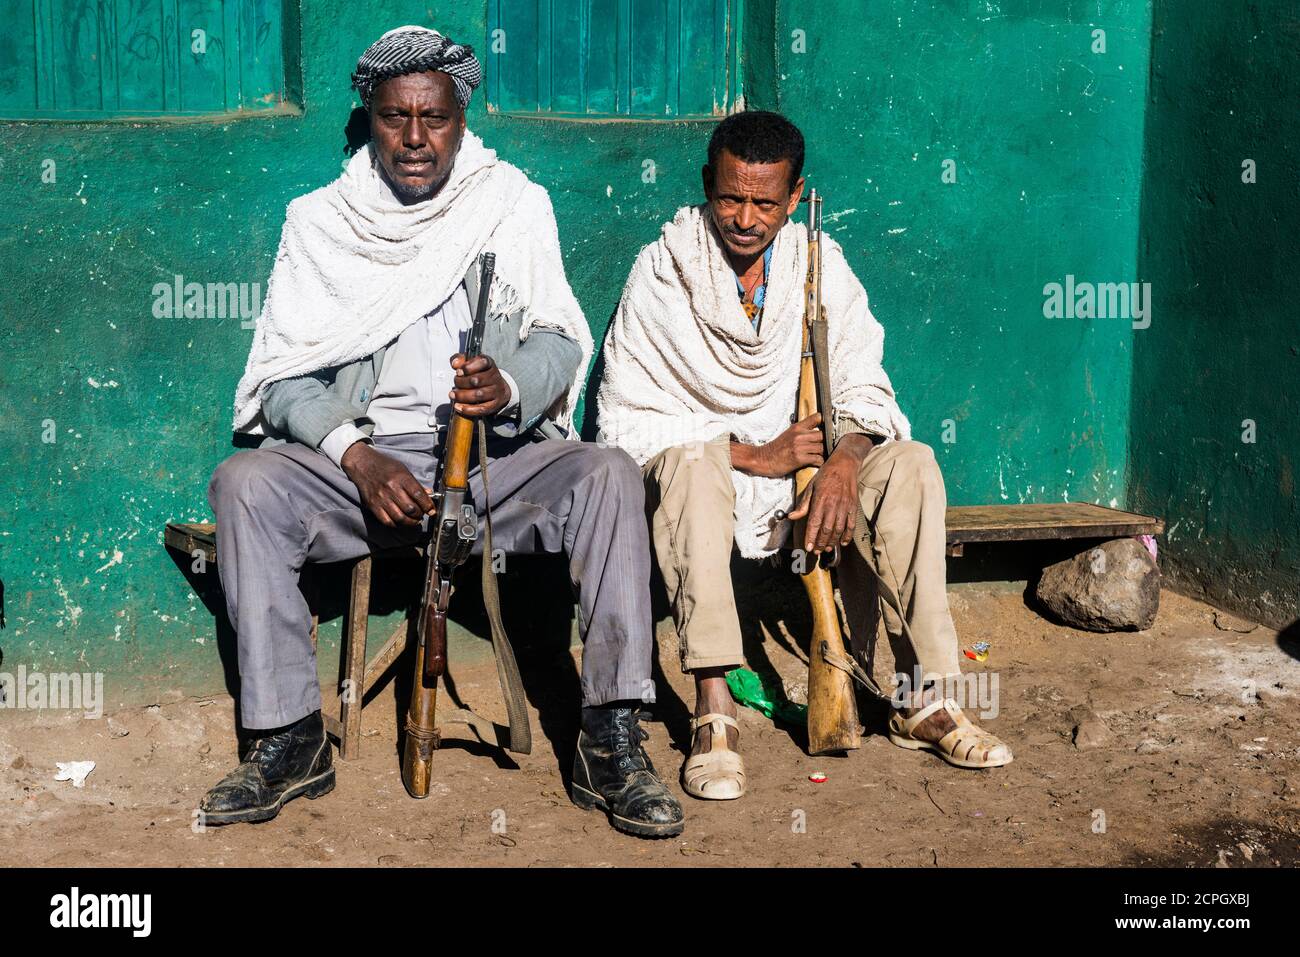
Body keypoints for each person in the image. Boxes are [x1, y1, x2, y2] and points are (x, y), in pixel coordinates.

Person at [199, 25, 683, 839]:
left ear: (461, 118)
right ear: (371, 118)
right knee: (243, 483)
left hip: (495, 461)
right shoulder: (322, 223)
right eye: (396, 118)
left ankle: (612, 737)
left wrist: (509, 387)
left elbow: (561, 340)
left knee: (605, 472)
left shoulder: (510, 203)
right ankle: (289, 736)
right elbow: (281, 380)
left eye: (435, 119)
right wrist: (355, 456)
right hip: (369, 467)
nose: (416, 140)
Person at [597, 110, 1013, 801]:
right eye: (730, 197)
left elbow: (864, 386)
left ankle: (921, 699)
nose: (745, 218)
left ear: (794, 198)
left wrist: (844, 462)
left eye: (765, 202)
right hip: (717, 474)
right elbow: (627, 418)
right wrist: (755, 454)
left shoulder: (819, 264)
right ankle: (714, 712)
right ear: (707, 184)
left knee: (910, 465)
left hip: (811, 472)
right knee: (694, 468)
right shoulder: (663, 268)